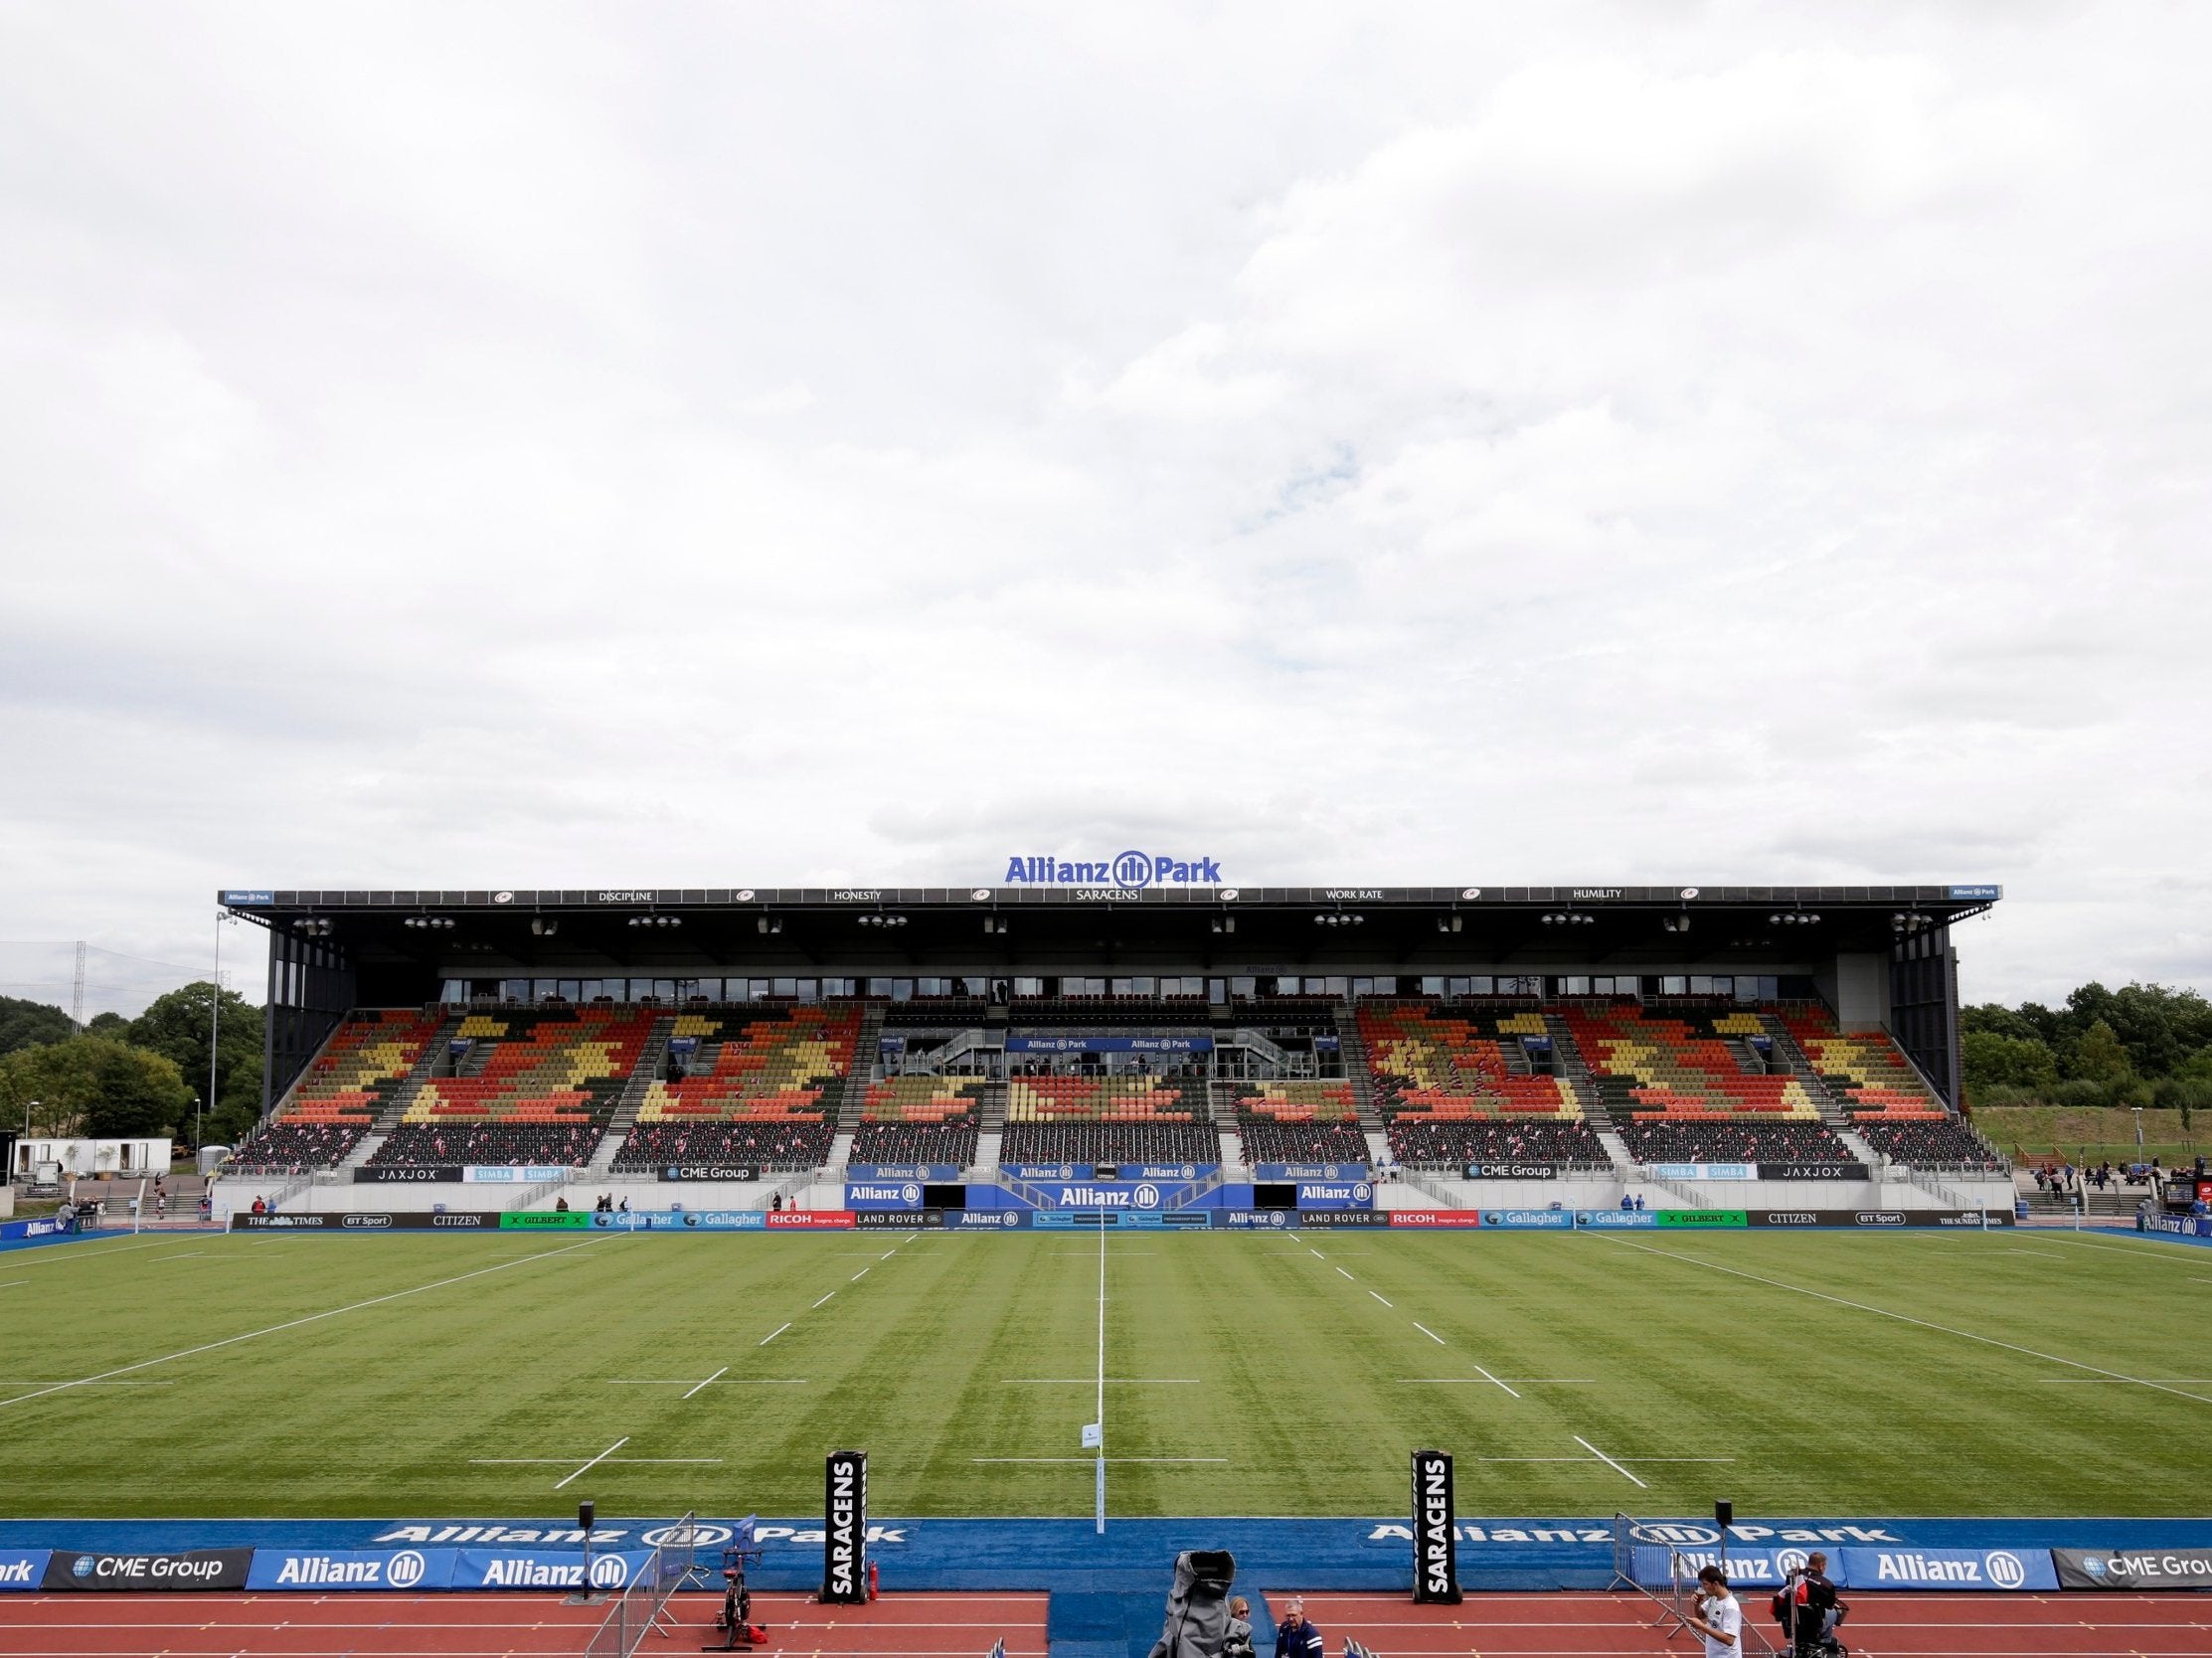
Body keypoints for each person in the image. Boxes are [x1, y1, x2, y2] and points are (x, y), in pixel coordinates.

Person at [1777, 1552, 1844, 1656]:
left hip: (1793, 1620)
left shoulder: (1793, 1576)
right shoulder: (1827, 1584)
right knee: (1834, 1612)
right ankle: (1825, 1640)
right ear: (1821, 1566)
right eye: (1825, 1566)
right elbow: (1830, 1605)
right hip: (1813, 1621)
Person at [1686, 1566, 1740, 1658]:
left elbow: (1729, 1640)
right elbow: (1701, 1615)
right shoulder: (1713, 1599)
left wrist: (1702, 1626)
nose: (1703, 1588)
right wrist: (1697, 1604)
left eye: (1705, 1584)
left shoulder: (1731, 1607)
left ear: (1715, 1584)